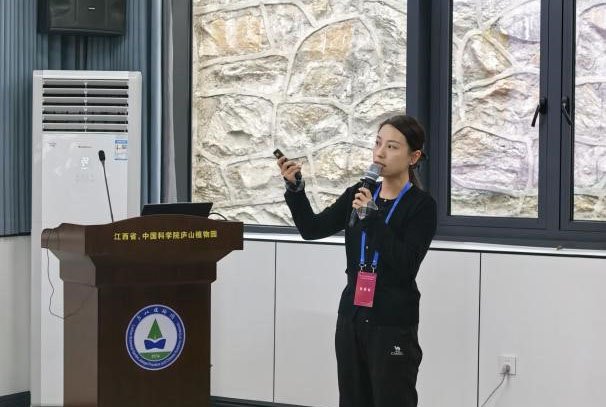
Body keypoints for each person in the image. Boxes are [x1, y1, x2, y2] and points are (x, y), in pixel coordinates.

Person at [277, 114, 437, 407]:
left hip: (392, 322)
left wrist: (371, 218)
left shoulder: (421, 206)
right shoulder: (358, 193)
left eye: (392, 147)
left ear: (413, 157)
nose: (380, 153)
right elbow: (311, 229)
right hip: (351, 317)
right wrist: (296, 190)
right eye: (377, 143)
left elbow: (406, 264)